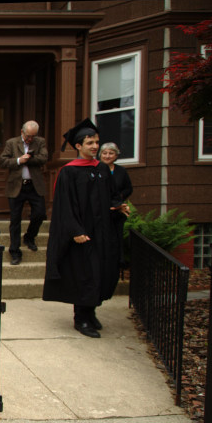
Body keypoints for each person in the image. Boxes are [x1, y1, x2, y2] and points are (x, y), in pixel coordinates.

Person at [42, 118, 130, 338]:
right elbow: (64, 206)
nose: (94, 146)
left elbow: (110, 196)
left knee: (100, 271)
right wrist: (75, 231)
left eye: (96, 142)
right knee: (84, 274)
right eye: (89, 142)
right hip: (82, 234)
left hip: (101, 232)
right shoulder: (69, 172)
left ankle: (91, 313)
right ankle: (80, 318)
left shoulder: (101, 168)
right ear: (78, 146)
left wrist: (118, 207)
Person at [0, 120, 49, 265]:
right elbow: (2, 161)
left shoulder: (40, 142)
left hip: (35, 186)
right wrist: (20, 160)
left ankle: (29, 237)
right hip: (16, 186)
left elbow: (44, 158)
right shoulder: (12, 143)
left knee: (40, 214)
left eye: (33, 136)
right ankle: (15, 252)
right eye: (28, 136)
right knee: (15, 220)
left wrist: (30, 159)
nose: (30, 139)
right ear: (22, 132)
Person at [99, 142, 133, 268]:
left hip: (117, 210)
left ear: (116, 155)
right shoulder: (95, 169)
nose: (107, 156)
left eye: (111, 153)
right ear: (100, 154)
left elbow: (128, 188)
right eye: (105, 153)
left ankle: (118, 261)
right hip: (101, 210)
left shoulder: (121, 171)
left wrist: (119, 198)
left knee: (116, 236)